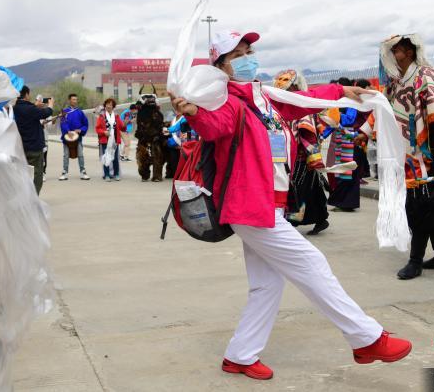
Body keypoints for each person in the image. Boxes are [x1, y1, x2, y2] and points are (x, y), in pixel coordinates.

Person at [170, 29, 411, 381]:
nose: (250, 57)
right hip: (250, 208)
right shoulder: (226, 101)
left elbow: (303, 99)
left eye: (250, 50)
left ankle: (239, 355)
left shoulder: (262, 97)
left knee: (267, 285)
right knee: (310, 262)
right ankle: (366, 338)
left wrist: (342, 91)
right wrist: (193, 111)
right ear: (221, 65)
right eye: (240, 53)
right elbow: (213, 126)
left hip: (272, 204)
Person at [357, 34, 434, 280]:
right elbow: (383, 110)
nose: (391, 55)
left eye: (396, 50)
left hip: (431, 150)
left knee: (423, 207)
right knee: (426, 207)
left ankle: (415, 260)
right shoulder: (395, 82)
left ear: (410, 52)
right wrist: (364, 133)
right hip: (407, 152)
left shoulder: (426, 75)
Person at [273, 69, 330, 235]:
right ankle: (320, 218)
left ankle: (293, 221)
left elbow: (307, 132)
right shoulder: (286, 105)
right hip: (289, 155)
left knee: (298, 189)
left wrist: (312, 156)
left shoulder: (301, 103)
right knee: (311, 189)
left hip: (300, 156)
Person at [14, 85, 54, 194]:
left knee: (23, 175)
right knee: (37, 176)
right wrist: (50, 105)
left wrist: (35, 106)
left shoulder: (14, 108)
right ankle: (33, 200)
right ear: (26, 94)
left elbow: (29, 111)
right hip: (34, 148)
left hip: (20, 148)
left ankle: (23, 198)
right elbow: (47, 113)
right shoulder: (30, 109)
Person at [59, 93, 90, 181]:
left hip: (78, 138)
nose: (75, 101)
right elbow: (63, 123)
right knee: (66, 155)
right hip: (67, 137)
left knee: (80, 155)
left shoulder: (80, 112)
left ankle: (83, 171)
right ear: (69, 100)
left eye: (76, 100)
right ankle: (64, 172)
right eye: (73, 99)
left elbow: (85, 124)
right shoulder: (65, 111)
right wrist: (67, 131)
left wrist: (81, 130)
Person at [135, 93, 165, 182]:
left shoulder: (157, 113)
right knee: (142, 158)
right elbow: (140, 126)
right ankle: (145, 175)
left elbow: (159, 124)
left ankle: (156, 176)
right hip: (143, 139)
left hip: (155, 138)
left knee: (157, 157)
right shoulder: (141, 112)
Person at [95, 97, 125, 181]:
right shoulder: (101, 117)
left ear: (113, 106)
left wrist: (125, 123)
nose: (109, 106)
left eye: (111, 105)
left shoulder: (117, 116)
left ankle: (116, 174)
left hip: (115, 141)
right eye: (107, 104)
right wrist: (104, 132)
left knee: (115, 158)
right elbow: (97, 128)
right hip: (105, 141)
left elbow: (122, 128)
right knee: (106, 157)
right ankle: (107, 175)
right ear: (105, 105)